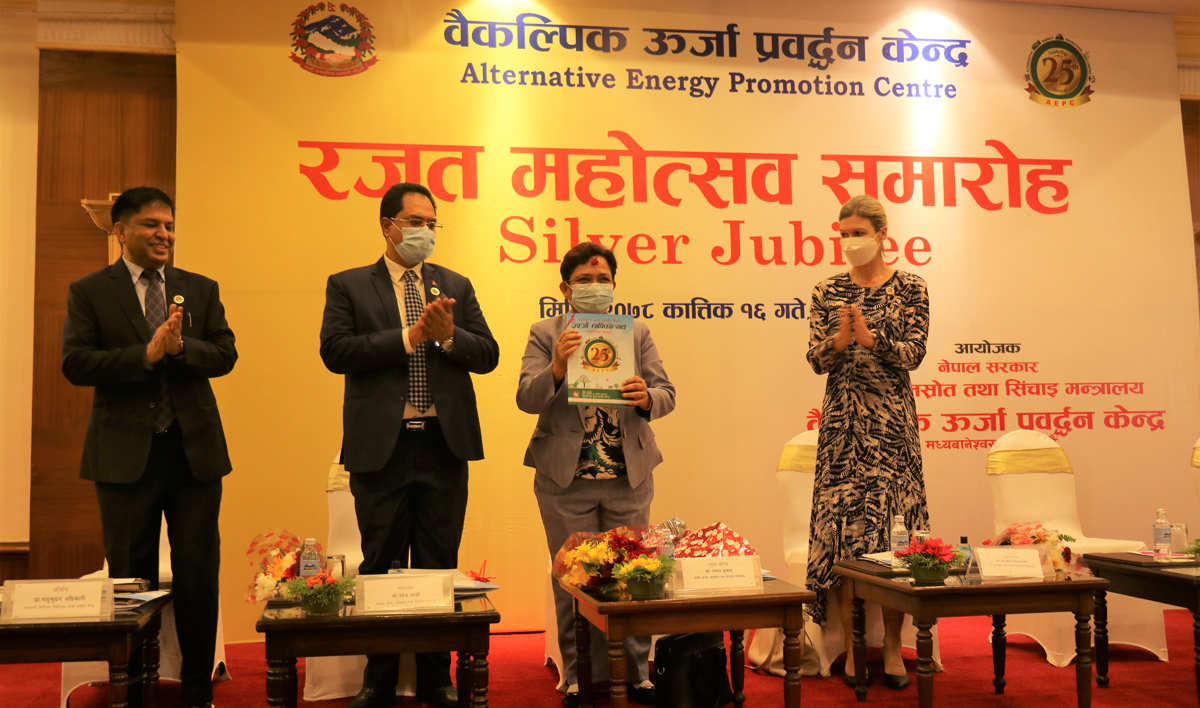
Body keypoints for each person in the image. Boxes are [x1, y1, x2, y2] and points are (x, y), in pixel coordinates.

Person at [320, 182, 499, 708]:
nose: (425, 231)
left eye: (431, 222)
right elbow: (335, 351)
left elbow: (488, 354)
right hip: (382, 446)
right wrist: (409, 336)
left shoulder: (455, 285)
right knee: (380, 562)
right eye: (415, 221)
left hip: (444, 444)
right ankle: (378, 678)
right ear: (388, 226)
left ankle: (435, 677)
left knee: (439, 561)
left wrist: (447, 336)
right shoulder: (350, 285)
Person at [62, 187, 237, 708]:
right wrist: (146, 354)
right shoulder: (90, 291)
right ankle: (133, 689)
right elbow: (76, 363)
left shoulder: (199, 289)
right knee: (129, 580)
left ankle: (197, 691)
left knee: (198, 574)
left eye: (170, 226)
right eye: (151, 225)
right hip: (124, 458)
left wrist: (181, 350)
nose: (164, 235)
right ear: (121, 231)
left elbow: (225, 354)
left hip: (193, 455)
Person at [517, 243, 676, 708]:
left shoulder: (635, 331)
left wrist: (646, 397)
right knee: (574, 579)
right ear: (565, 289)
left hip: (628, 476)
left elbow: (666, 393)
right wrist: (557, 367)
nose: (595, 286)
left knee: (635, 576)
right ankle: (578, 676)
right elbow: (527, 398)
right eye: (584, 280)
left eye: (602, 279)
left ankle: (637, 674)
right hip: (566, 479)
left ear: (614, 285)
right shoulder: (545, 333)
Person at [805, 194, 930, 691]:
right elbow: (815, 359)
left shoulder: (911, 286)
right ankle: (855, 649)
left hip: (892, 426)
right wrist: (839, 340)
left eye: (859, 232)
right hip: (842, 425)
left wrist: (872, 338)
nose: (850, 241)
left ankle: (893, 647)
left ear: (881, 233)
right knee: (841, 533)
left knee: (895, 535)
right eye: (844, 234)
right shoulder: (826, 290)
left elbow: (914, 353)